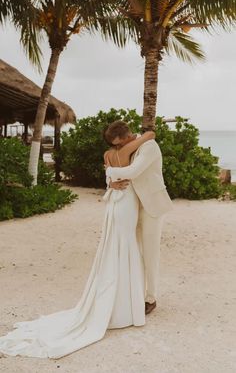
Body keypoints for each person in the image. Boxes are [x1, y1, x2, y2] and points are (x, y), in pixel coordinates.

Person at [0, 127, 154, 359]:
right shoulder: (125, 152)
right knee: (125, 244)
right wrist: (146, 132)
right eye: (125, 138)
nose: (128, 140)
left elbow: (108, 176)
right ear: (122, 139)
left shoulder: (107, 155)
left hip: (114, 202)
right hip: (125, 203)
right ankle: (125, 306)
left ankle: (125, 302)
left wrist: (111, 182)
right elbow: (149, 136)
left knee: (115, 246)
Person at [104, 121, 174, 315]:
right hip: (132, 207)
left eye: (119, 143)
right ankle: (135, 294)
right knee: (134, 252)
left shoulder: (149, 146)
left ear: (127, 136)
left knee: (150, 253)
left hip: (151, 205)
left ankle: (150, 298)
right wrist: (110, 183)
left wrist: (110, 172)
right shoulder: (128, 148)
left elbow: (133, 171)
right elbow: (115, 168)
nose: (117, 147)